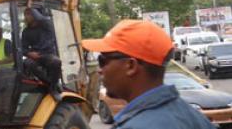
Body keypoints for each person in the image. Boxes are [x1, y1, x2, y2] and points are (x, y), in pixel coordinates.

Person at [83, 19, 213, 129]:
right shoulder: (193, 117)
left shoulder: (137, 126)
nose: (100, 70)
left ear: (131, 66)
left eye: (103, 61)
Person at [20, 3, 62, 92]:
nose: (26, 17)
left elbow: (41, 18)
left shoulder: (46, 25)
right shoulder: (26, 31)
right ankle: (48, 83)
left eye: (28, 14)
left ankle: (54, 86)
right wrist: (29, 53)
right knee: (26, 63)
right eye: (25, 14)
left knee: (56, 62)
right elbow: (22, 48)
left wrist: (30, 7)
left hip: (47, 54)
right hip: (34, 56)